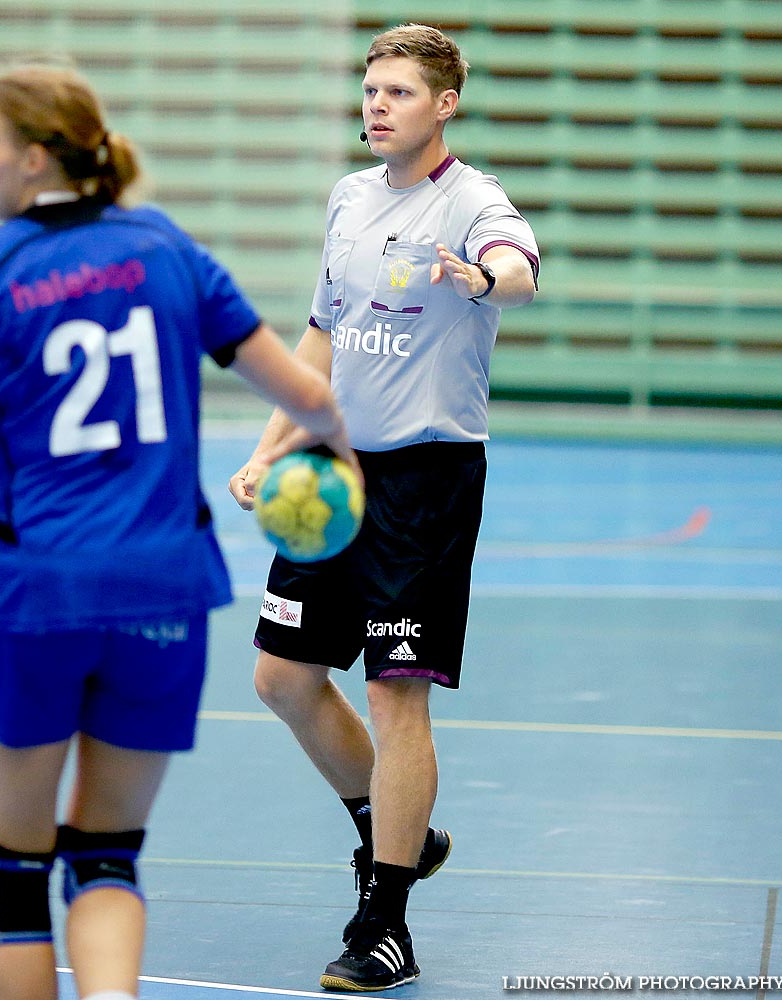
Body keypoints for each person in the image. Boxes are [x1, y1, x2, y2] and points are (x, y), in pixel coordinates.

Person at [0, 64, 357, 1000]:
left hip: (31, 594)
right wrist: (337, 462)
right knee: (107, 857)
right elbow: (308, 395)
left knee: (12, 877)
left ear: (36, 159)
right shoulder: (169, 248)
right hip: (165, 592)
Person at [229, 24, 540, 992]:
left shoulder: (473, 201)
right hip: (332, 471)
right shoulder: (349, 199)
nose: (377, 105)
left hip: (425, 482)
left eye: (399, 92)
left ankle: (387, 919)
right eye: (371, 89)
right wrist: (268, 447)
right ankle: (392, 825)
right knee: (282, 678)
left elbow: (521, 270)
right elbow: (323, 336)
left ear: (444, 104)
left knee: (394, 692)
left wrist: (484, 278)